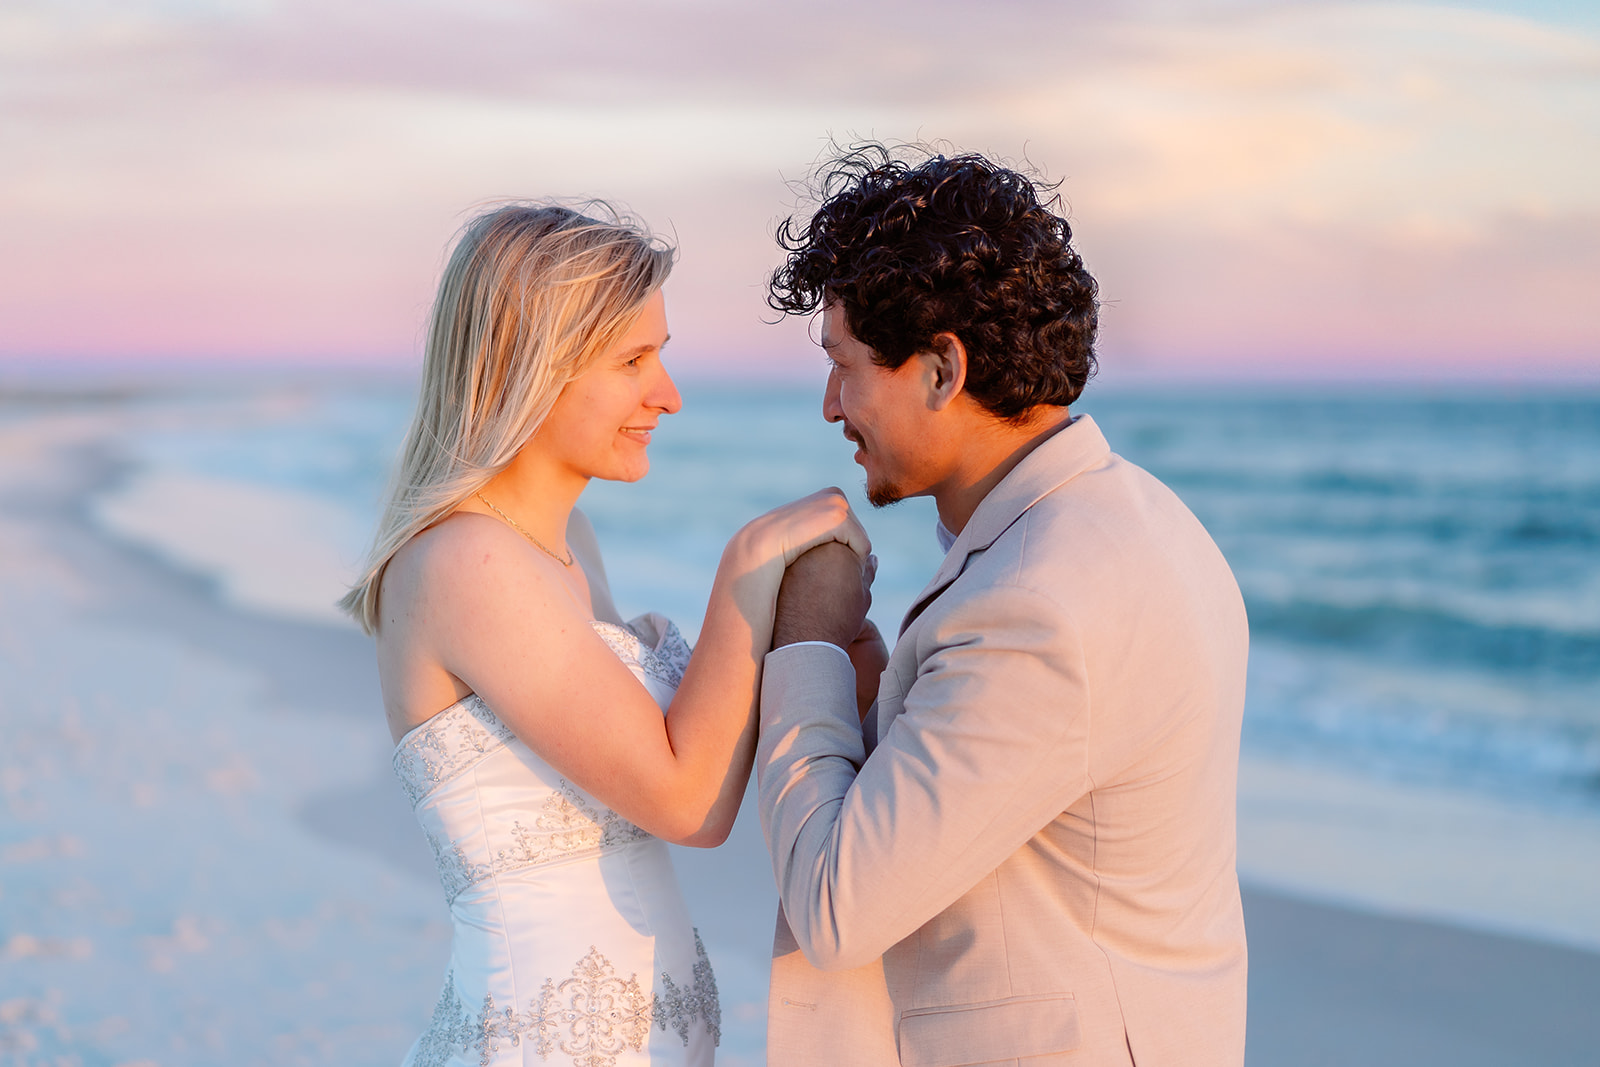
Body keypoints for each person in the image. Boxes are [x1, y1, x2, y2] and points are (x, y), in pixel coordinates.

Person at [339, 202, 868, 1067]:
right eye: (633, 360)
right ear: (529, 366)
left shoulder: (559, 543)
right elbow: (687, 799)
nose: (668, 393)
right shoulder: (467, 563)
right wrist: (748, 566)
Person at [755, 146, 1250, 1066]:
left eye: (847, 365)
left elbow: (837, 905)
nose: (831, 405)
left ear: (942, 368)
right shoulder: (1133, 518)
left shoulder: (1037, 603)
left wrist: (807, 643)